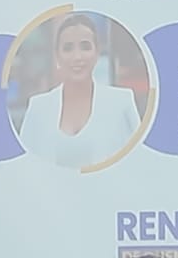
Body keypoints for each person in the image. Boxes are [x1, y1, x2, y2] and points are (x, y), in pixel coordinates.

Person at [18, 13, 144, 169]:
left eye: (85, 47)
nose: (77, 57)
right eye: (68, 48)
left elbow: (139, 165)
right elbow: (24, 168)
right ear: (57, 56)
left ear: (97, 53)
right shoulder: (38, 108)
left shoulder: (122, 103)